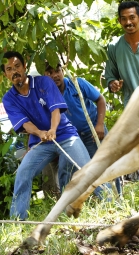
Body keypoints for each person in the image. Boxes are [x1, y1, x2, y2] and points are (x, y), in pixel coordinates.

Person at [1, 51, 101, 220]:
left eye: (17, 66)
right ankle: (18, 221)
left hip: (65, 135)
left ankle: (110, 201)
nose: (14, 71)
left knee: (87, 168)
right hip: (40, 142)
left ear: (25, 66)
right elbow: (24, 124)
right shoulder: (8, 99)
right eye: (9, 69)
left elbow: (56, 109)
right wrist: (40, 133)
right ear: (5, 74)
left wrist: (53, 129)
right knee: (23, 173)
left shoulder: (44, 82)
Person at [44, 63, 122, 195]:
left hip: (92, 133)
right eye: (49, 72)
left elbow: (100, 99)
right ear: (45, 75)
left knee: (105, 164)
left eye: (57, 71)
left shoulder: (76, 83)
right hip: (71, 138)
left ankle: (116, 198)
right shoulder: (47, 94)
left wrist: (99, 124)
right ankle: (67, 203)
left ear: (62, 71)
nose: (54, 75)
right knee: (65, 169)